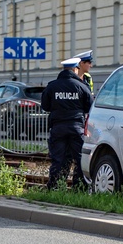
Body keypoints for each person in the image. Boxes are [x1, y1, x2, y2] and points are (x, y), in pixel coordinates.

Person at [41, 57, 93, 190]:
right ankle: (79, 188)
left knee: (58, 159)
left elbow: (45, 106)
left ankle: (55, 187)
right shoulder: (82, 86)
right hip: (77, 128)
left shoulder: (52, 86)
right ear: (76, 69)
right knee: (80, 159)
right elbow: (89, 107)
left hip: (58, 128)